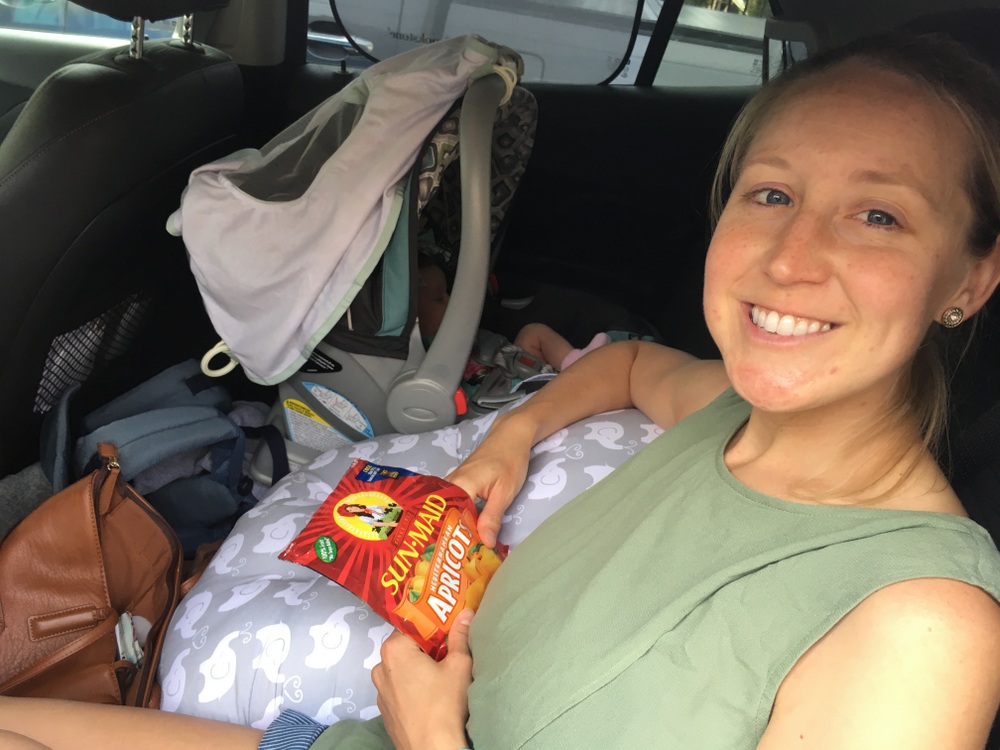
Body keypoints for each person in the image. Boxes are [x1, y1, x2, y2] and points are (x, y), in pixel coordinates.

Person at [3, 29, 1000, 750]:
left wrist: (437, 740)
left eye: (877, 216)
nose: (790, 257)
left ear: (970, 279)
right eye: (771, 194)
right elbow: (620, 365)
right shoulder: (731, 418)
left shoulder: (925, 627)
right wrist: (505, 445)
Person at [418, 260, 611, 372]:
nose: (450, 300)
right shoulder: (422, 352)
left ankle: (577, 366)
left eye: (447, 293)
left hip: (509, 361)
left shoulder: (454, 326)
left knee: (533, 332)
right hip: (498, 389)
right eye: (439, 299)